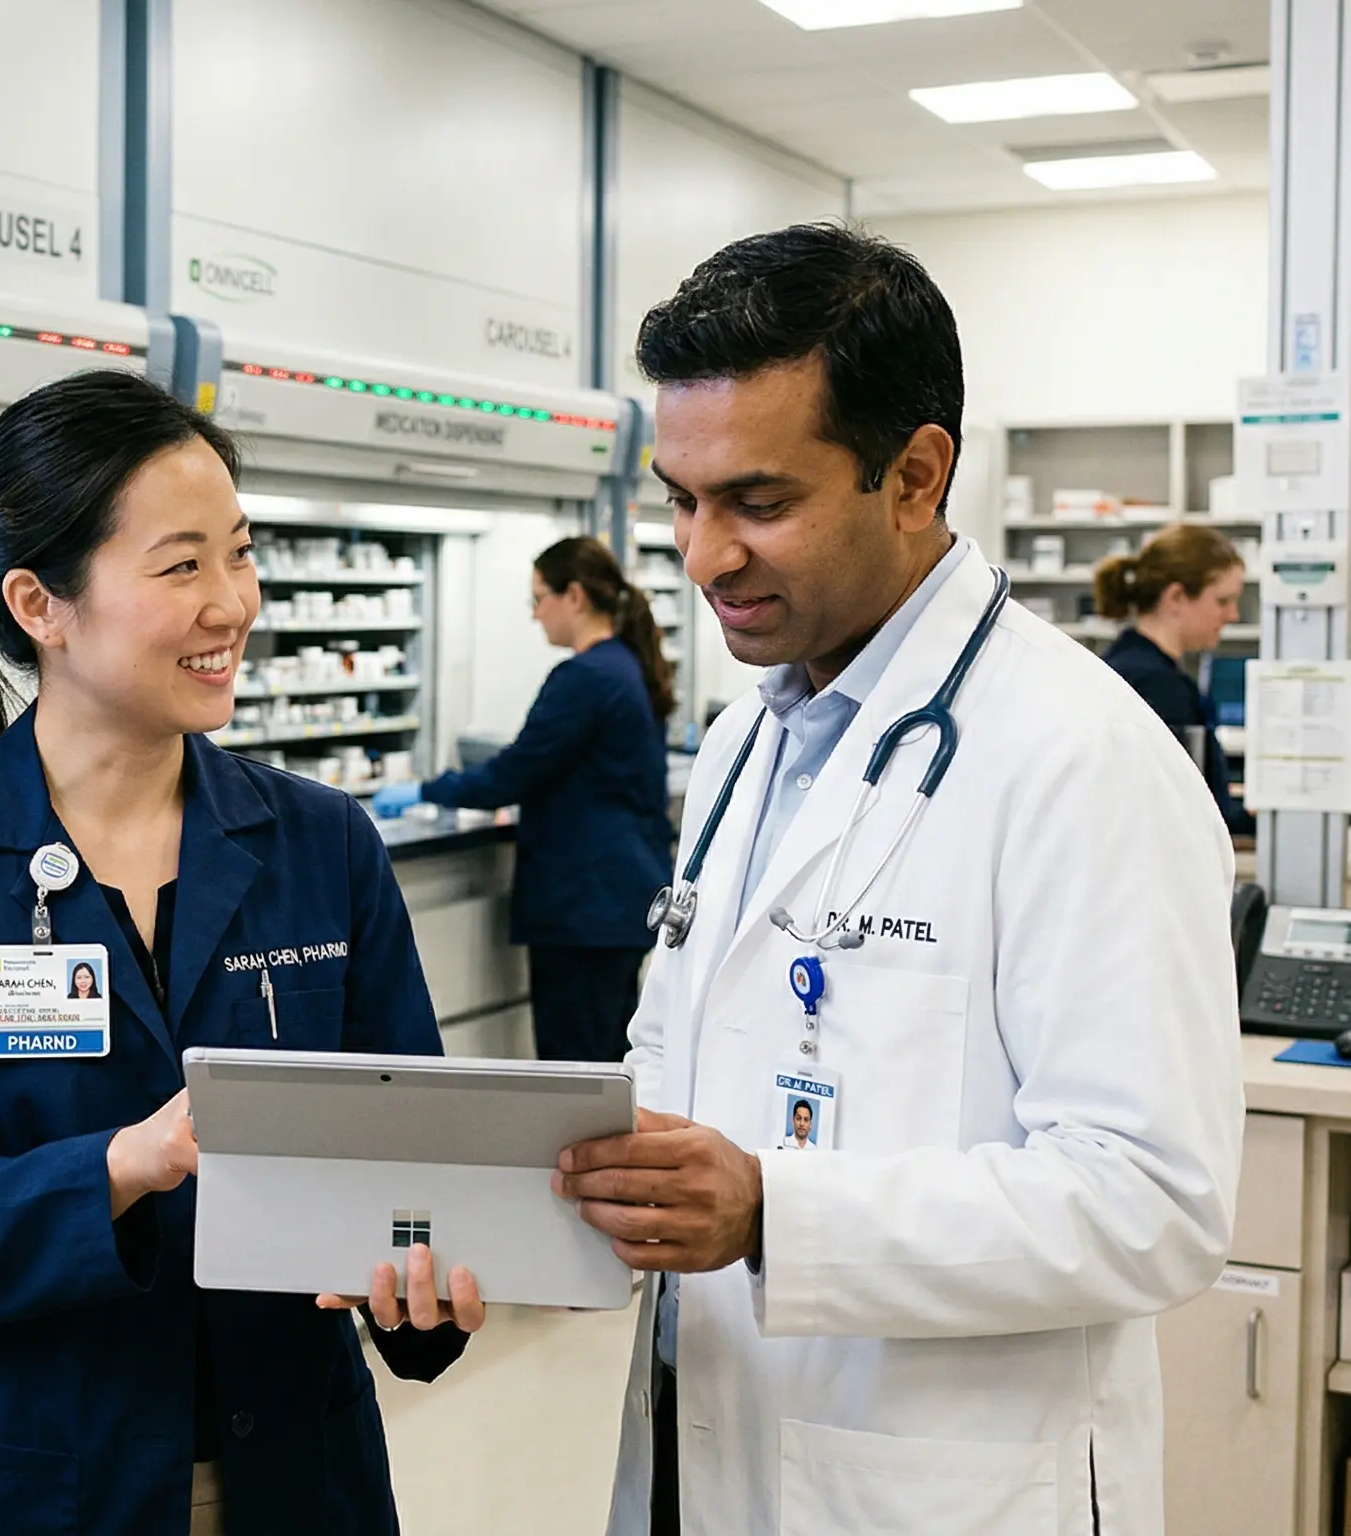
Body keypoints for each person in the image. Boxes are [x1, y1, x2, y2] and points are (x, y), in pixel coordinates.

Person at [555, 224, 1241, 1535]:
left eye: (758, 503)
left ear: (915, 475)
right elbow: (682, 1052)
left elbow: (1154, 1203)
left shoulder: (1078, 755)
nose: (701, 557)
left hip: (936, 1485)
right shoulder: (752, 733)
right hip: (701, 1444)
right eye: (680, 501)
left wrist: (775, 1212)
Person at [0, 370, 481, 1536]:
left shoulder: (321, 844)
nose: (232, 604)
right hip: (38, 1495)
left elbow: (413, 1171)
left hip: (297, 1484)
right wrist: (124, 1164)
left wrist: (425, 1288)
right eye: (181, 566)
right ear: (40, 605)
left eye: (241, 554)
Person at [373, 536, 674, 1061]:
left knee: (576, 1069)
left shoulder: (585, 676)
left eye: (538, 599)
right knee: (606, 1060)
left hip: (586, 909)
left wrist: (426, 790)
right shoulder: (623, 665)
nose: (535, 615)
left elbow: (514, 773)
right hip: (616, 902)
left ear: (574, 596)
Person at [1096, 523, 1251, 835]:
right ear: (1176, 597)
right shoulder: (1158, 687)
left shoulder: (1126, 664)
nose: (1233, 615)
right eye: (1222, 601)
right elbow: (1185, 812)